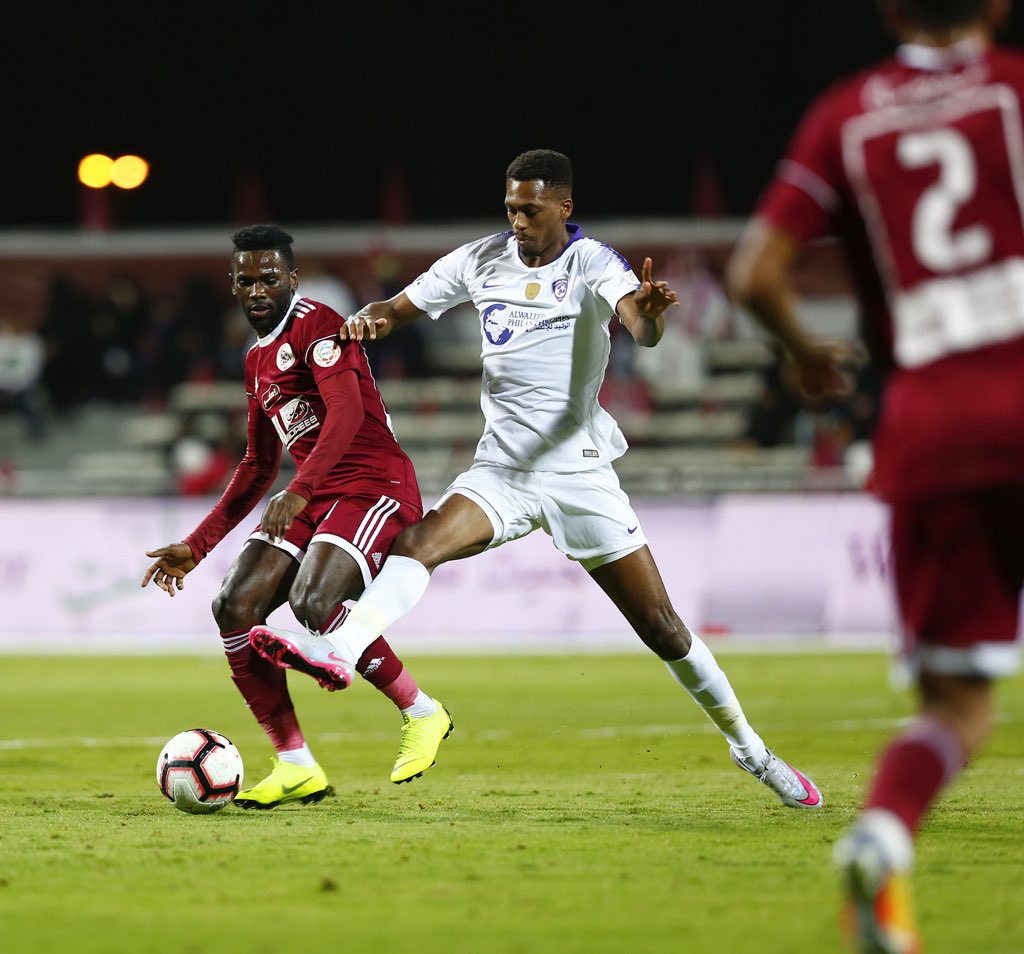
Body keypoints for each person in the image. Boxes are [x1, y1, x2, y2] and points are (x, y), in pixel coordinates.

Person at [248, 149, 824, 812]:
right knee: (417, 545)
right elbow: (398, 305)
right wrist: (371, 319)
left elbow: (640, 325)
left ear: (563, 207)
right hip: (503, 471)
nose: (517, 221)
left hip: (579, 476)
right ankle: (341, 648)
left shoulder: (592, 263)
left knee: (662, 627)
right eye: (511, 208)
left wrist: (653, 313)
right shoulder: (480, 260)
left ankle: (752, 749)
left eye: (530, 209)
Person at [725, 2, 1024, 950]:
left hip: (931, 431)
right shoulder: (1015, 89)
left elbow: (753, 273)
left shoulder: (845, 115)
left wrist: (811, 360)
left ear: (891, 8)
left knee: (956, 707)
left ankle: (885, 835)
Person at [141, 224, 453, 808]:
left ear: (293, 277)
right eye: (245, 280)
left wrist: (302, 489)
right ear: (232, 286)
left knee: (313, 602)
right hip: (314, 493)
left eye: (268, 278)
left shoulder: (319, 324)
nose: (256, 289)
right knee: (234, 605)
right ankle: (295, 763)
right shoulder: (256, 359)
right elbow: (258, 465)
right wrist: (198, 544)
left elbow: (345, 412)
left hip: (372, 485)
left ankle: (424, 711)